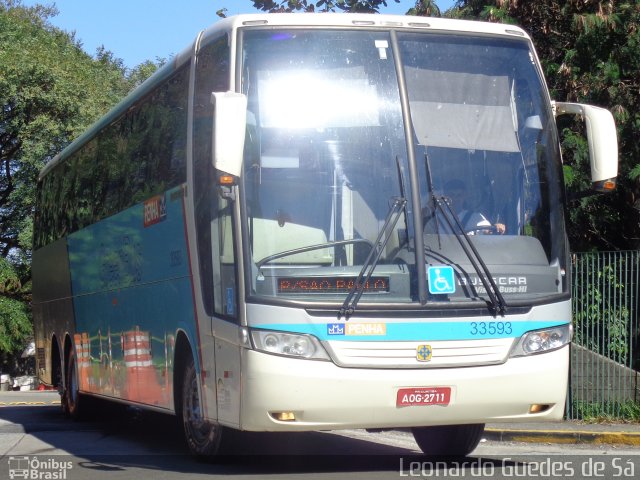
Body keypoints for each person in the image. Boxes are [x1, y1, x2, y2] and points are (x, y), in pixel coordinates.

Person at [425, 179, 505, 235]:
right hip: (442, 257)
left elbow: (487, 232)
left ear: (465, 196)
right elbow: (427, 240)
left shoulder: (476, 218)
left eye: (459, 195)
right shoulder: (435, 221)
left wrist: (496, 227)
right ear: (445, 196)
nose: (456, 199)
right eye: (452, 195)